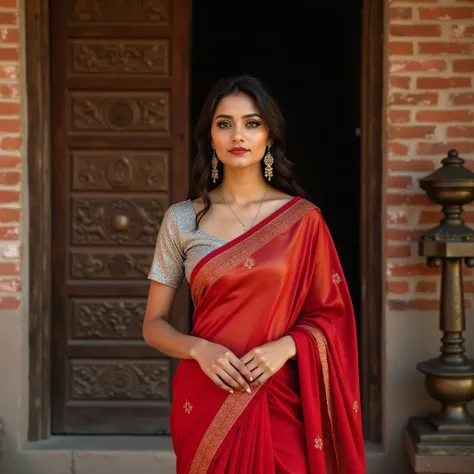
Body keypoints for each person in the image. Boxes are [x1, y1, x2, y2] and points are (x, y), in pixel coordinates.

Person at [143, 74, 366, 474]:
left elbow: (333, 315)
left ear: (270, 136)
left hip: (281, 396)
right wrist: (199, 349)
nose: (237, 135)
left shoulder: (303, 220)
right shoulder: (182, 220)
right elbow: (154, 325)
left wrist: (287, 347)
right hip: (206, 396)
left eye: (252, 122)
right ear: (210, 137)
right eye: (224, 123)